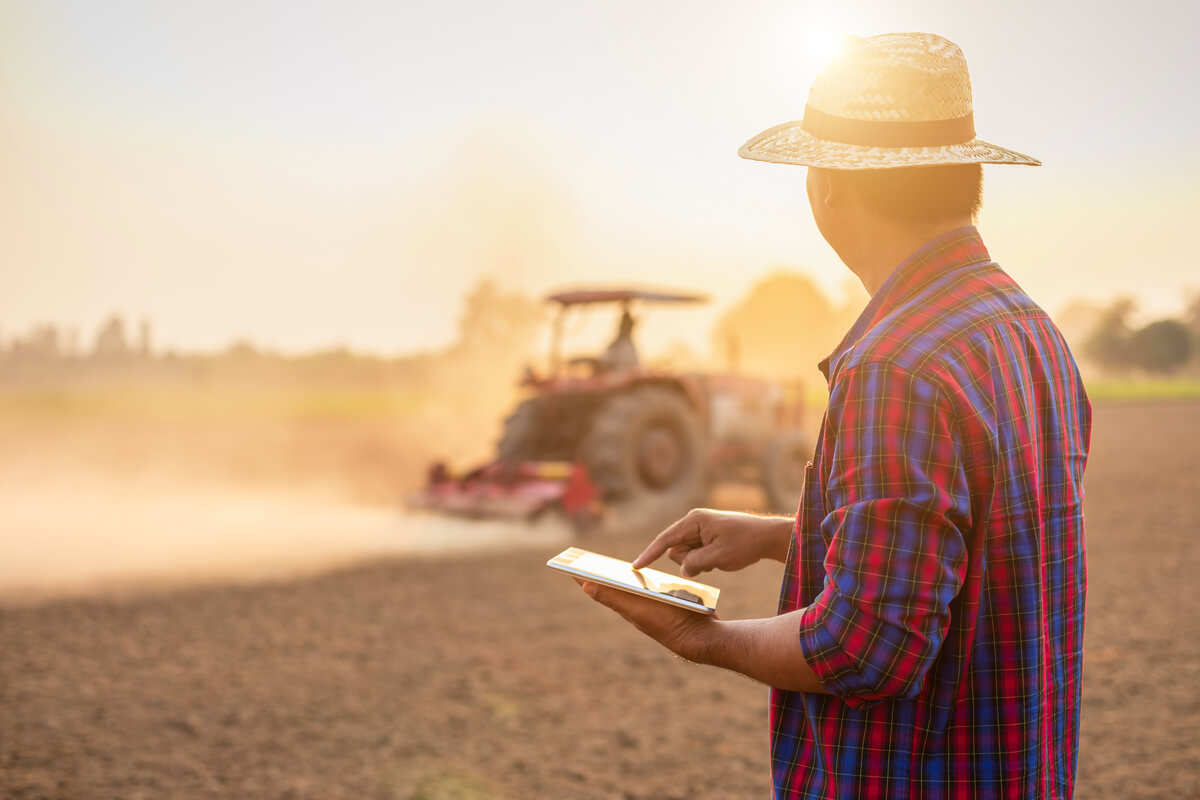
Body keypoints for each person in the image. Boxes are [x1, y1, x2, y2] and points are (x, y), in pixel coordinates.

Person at [577, 32, 1092, 799]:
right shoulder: (1030, 332)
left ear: (826, 185)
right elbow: (958, 551)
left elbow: (867, 647)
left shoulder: (895, 364)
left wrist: (703, 637)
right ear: (967, 174)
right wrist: (787, 536)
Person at [602, 308, 640, 372]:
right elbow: (605, 364)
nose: (629, 328)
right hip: (616, 379)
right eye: (626, 325)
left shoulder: (630, 345)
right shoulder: (613, 346)